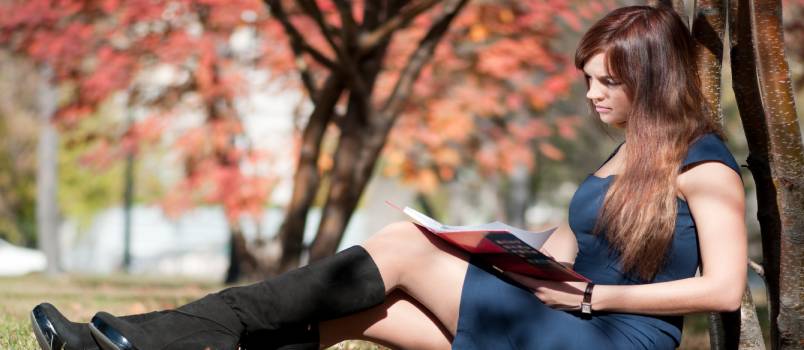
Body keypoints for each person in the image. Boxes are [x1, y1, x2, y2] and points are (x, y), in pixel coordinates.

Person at [31, 5, 747, 350]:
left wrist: (596, 296)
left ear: (648, 78)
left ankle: (141, 341)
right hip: (562, 319)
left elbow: (725, 288)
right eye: (586, 79)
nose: (590, 94)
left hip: (612, 342)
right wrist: (485, 244)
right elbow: (560, 250)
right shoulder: (619, 156)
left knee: (400, 251)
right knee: (357, 312)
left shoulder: (703, 162)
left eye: (605, 82)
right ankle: (139, 346)